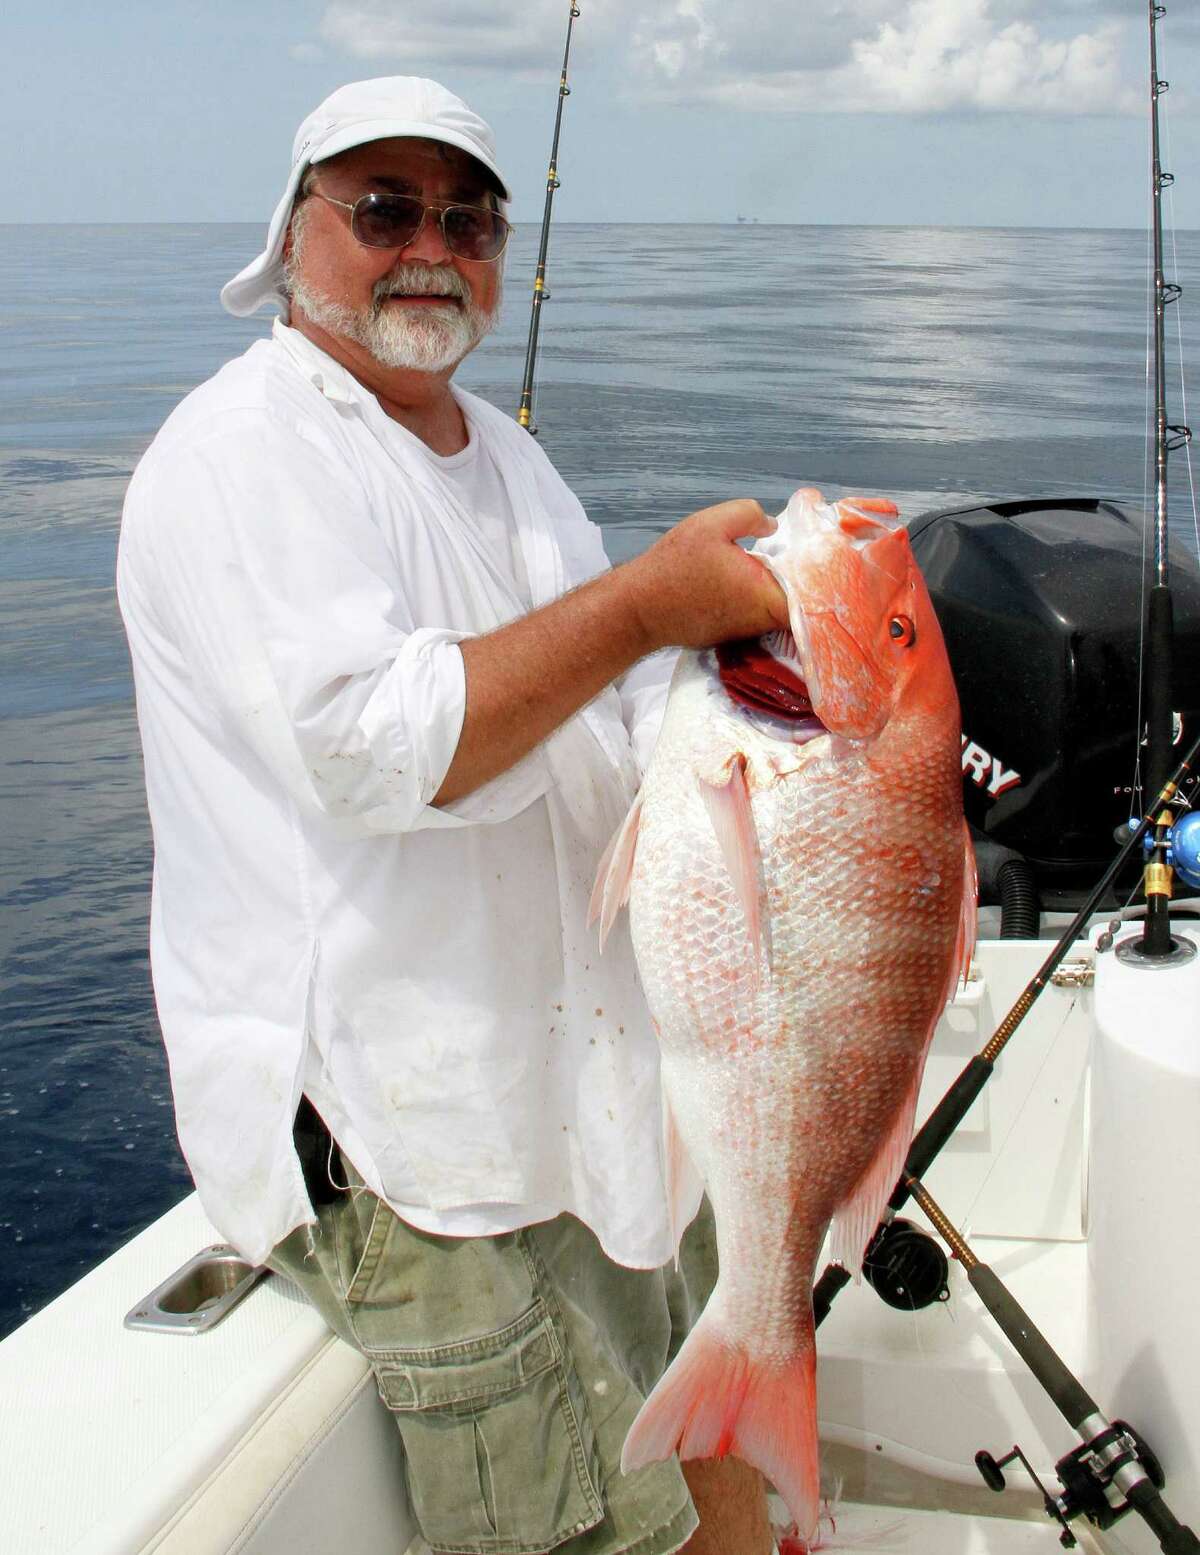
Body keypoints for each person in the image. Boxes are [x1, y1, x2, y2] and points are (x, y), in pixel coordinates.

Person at [117, 76, 787, 1555]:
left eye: (469, 219)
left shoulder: (506, 456)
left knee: (720, 1445)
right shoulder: (243, 456)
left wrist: (754, 675)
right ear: (294, 233)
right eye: (386, 210)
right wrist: (645, 606)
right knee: (600, 1526)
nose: (435, 246)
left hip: (588, 1095)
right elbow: (376, 749)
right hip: (417, 1157)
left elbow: (614, 721)